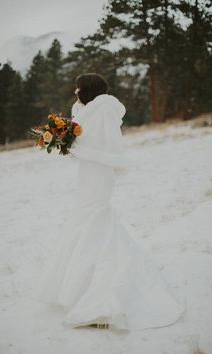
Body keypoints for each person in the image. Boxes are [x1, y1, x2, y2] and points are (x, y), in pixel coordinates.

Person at [31, 73, 186, 333]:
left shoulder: (103, 109)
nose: (75, 90)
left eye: (79, 87)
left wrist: (72, 143)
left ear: (88, 89)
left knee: (95, 218)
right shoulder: (88, 109)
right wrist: (62, 136)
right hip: (88, 172)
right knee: (86, 219)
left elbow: (104, 145)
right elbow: (82, 133)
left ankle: (101, 292)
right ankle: (78, 286)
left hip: (98, 173)